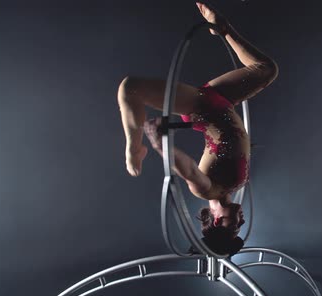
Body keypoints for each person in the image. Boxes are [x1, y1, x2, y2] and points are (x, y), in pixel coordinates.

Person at [116, 2, 278, 255]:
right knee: (267, 69)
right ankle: (222, 29)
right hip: (223, 101)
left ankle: (133, 149)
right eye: (241, 226)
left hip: (201, 108)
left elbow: (189, 170)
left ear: (215, 220)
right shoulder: (234, 187)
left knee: (130, 88)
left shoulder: (206, 190)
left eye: (233, 227)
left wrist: (160, 145)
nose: (241, 222)